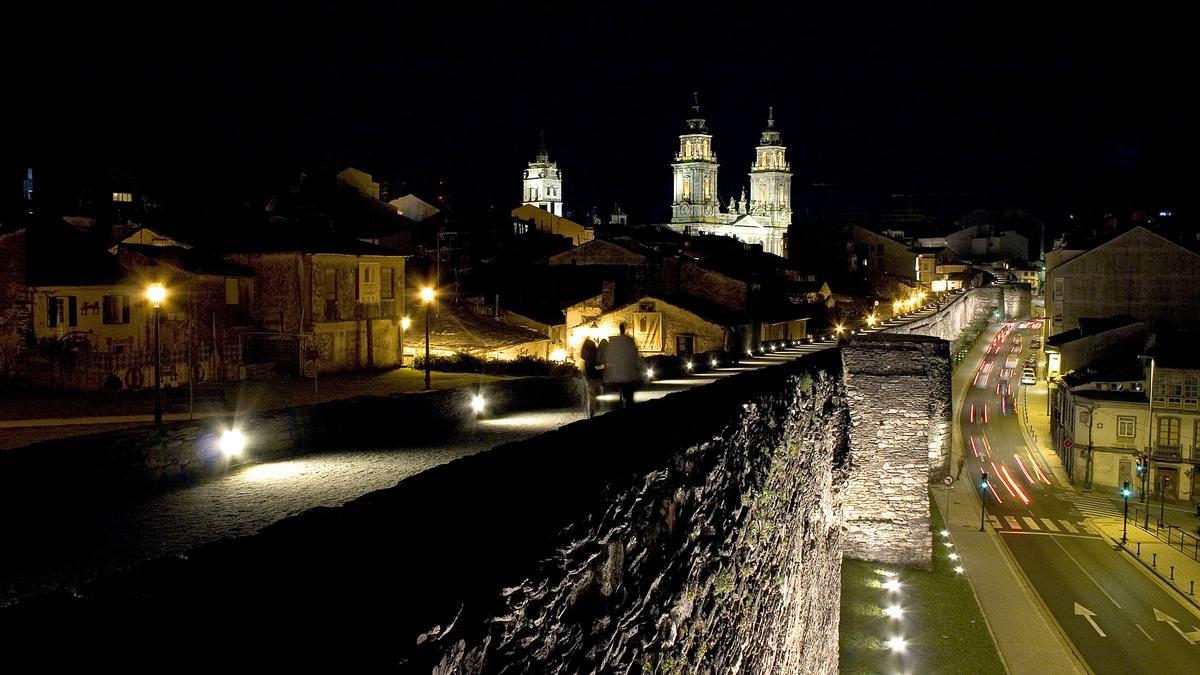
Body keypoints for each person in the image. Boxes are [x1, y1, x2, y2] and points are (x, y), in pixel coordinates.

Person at [601, 322, 645, 409]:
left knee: (619, 394)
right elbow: (636, 357)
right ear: (625, 329)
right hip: (629, 375)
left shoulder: (614, 342)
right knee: (629, 397)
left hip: (616, 375)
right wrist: (639, 368)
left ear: (619, 329)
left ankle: (620, 403)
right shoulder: (630, 341)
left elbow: (607, 357)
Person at [579, 326, 604, 418]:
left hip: (590, 373)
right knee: (593, 394)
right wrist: (599, 366)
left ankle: (591, 412)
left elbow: (584, 357)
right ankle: (591, 414)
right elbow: (593, 360)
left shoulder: (588, 343)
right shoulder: (590, 344)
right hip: (592, 373)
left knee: (592, 394)